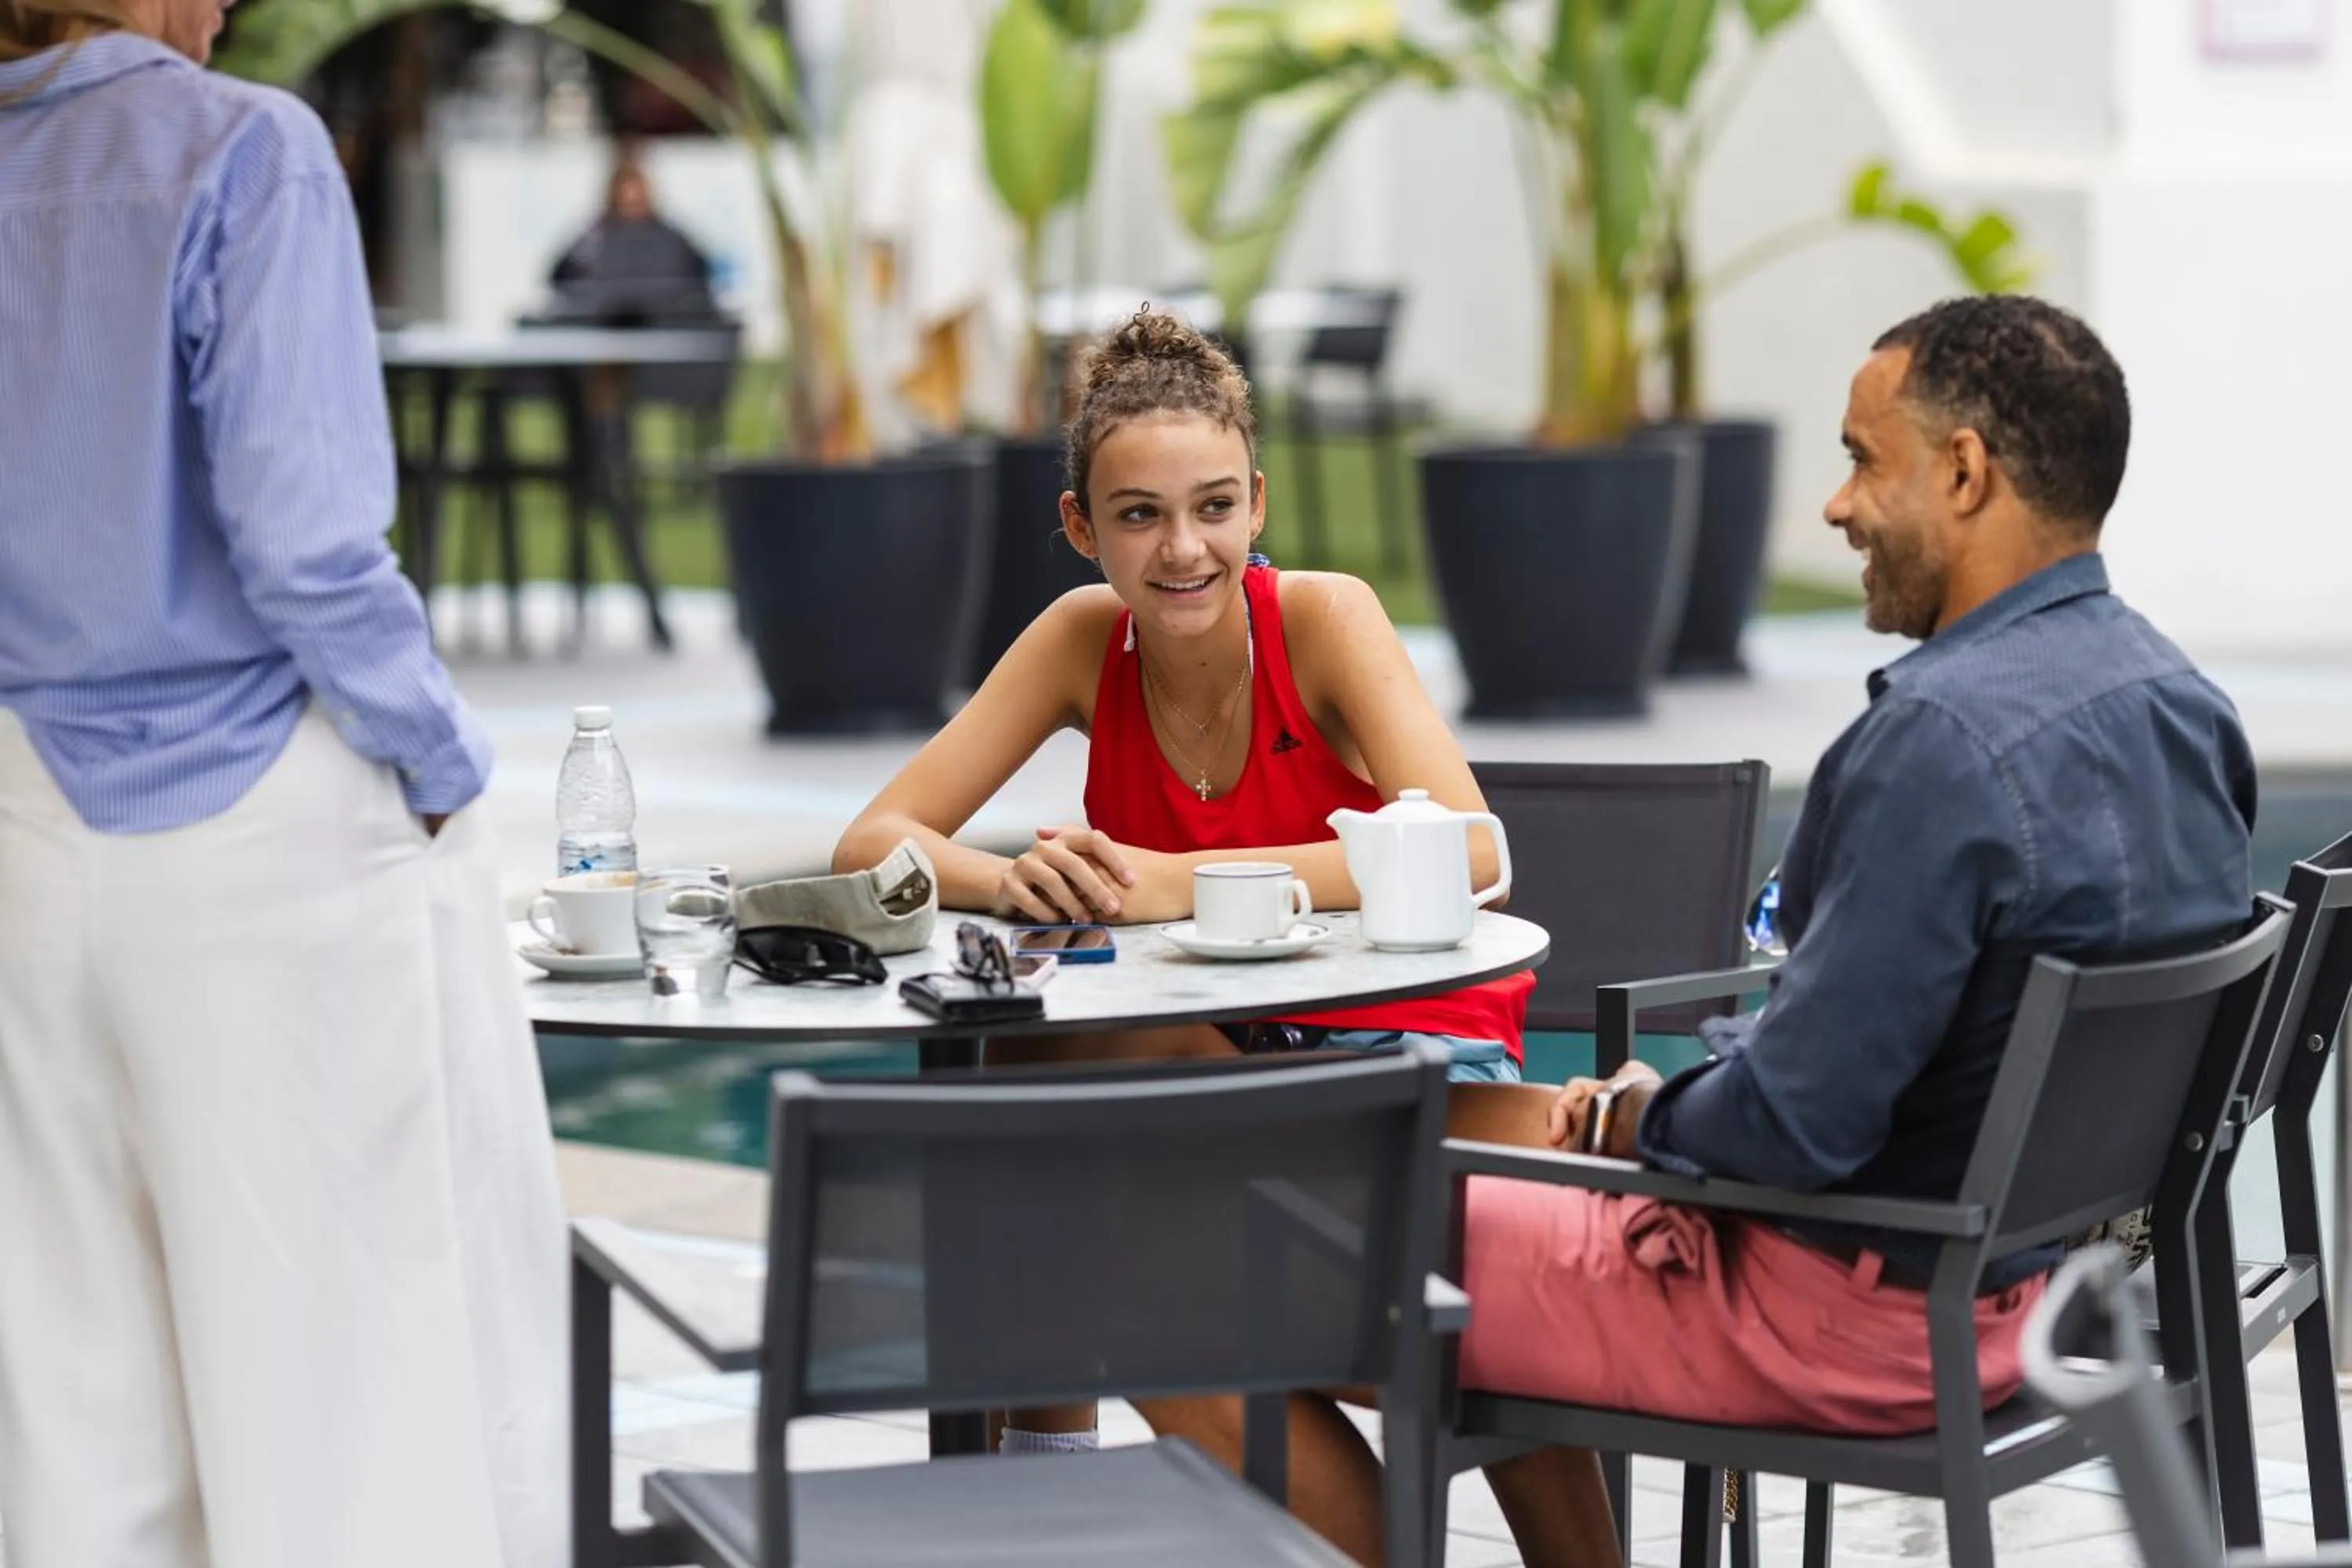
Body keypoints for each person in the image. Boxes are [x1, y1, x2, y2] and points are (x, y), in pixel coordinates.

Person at [1305, 295, 2263, 1564]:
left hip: (1854, 1325)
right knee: (1418, 1220)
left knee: (1269, 1265)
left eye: (1865, 458)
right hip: (2040, 1294)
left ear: (1964, 473)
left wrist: (1647, 1115)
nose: (1835, 506)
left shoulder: (1940, 746)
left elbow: (1799, 1128)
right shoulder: (2185, 709)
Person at [832, 309, 1538, 1559]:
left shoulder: (1324, 619)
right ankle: (1049, 1473)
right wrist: (1013, 884)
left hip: (1404, 1064)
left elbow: (1475, 848)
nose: (1182, 549)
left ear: (1258, 504)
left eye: (1212, 506)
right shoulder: (1076, 642)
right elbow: (871, 842)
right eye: (1140, 515)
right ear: (1080, 528)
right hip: (1232, 1074)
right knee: (1034, 1065)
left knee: (1124, 1213)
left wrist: (1181, 882)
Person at [0, 8, 566, 1568]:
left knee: (77, 1405)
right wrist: (441, 756)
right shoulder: (245, 149)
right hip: (263, 828)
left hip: (24, 825)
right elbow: (307, 540)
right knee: (348, 1393)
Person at [548, 148, 715, 321]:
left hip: (664, 326)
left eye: (637, 201)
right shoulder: (594, 238)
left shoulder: (671, 238)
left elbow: (698, 277)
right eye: (627, 202)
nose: (632, 208)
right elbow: (562, 278)